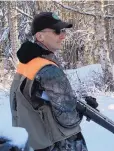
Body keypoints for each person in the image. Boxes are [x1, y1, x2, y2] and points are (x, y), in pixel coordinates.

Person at [10, 12, 97, 151]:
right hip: (58, 144)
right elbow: (68, 119)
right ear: (40, 36)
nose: (63, 36)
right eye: (57, 31)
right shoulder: (48, 69)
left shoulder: (26, 64)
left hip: (33, 142)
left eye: (63, 31)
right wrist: (83, 110)